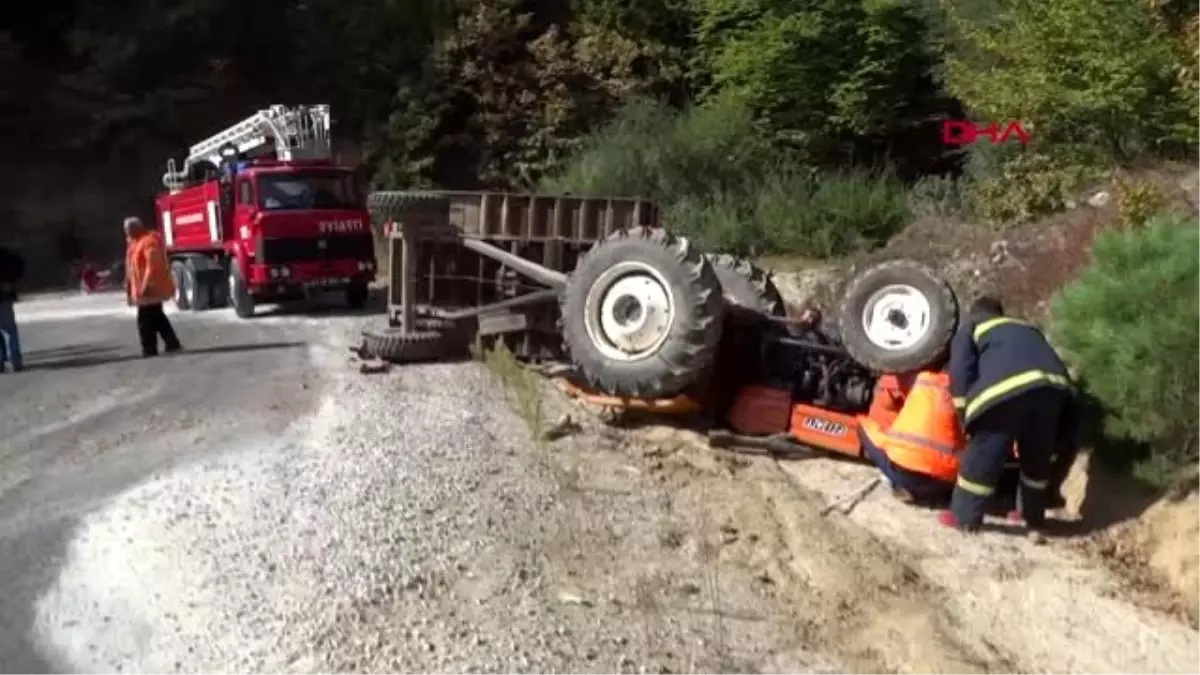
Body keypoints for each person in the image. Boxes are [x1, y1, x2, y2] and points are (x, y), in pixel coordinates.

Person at [942, 296, 1073, 532]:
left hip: (1004, 391)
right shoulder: (1028, 328)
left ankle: (963, 517)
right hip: (1052, 390)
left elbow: (961, 370)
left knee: (984, 455)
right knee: (1036, 458)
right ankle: (1032, 518)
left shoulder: (972, 327)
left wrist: (964, 413)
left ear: (975, 313)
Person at [859, 368, 966, 505]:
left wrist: (862, 423)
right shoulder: (964, 385)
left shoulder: (919, 376)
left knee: (864, 427)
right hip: (948, 476)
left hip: (912, 471)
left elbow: (887, 396)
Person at [124, 216, 183, 357]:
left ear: (137, 228)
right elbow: (132, 267)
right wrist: (129, 287)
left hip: (151, 289)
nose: (126, 233)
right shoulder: (135, 243)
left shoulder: (148, 242)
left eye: (128, 230)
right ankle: (172, 343)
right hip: (145, 290)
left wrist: (146, 285)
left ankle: (149, 349)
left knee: (144, 322)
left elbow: (153, 266)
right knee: (157, 317)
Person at [0, 244, 25, 372]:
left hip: (5, 295)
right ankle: (15, 360)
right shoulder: (6, 254)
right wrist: (11, 280)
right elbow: (19, 265)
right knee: (10, 329)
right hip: (5, 295)